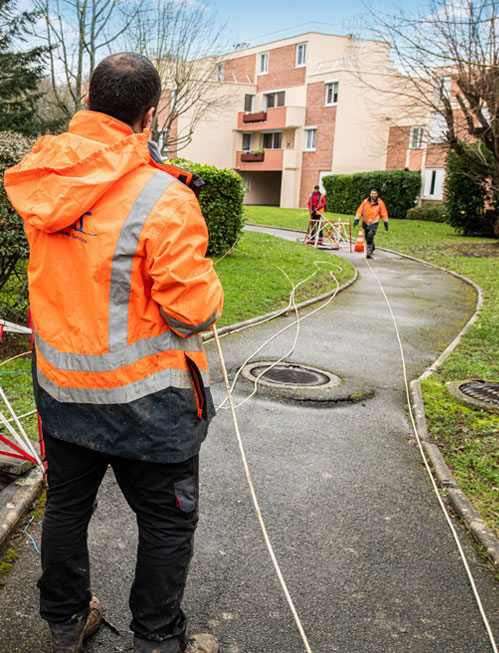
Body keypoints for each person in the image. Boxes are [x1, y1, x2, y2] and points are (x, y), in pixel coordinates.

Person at [4, 53, 223, 653]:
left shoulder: (44, 177)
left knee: (68, 506)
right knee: (166, 521)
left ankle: (67, 620)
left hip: (60, 386)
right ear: (151, 114)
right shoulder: (166, 198)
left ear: (85, 94)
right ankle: (157, 640)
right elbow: (191, 311)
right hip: (148, 402)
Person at [354, 188, 389, 258]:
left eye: (374, 194)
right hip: (365, 222)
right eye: (372, 193)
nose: (373, 195)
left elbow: (384, 213)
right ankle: (372, 247)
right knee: (367, 237)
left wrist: (386, 223)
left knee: (370, 235)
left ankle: (368, 251)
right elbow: (359, 211)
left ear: (377, 194)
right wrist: (356, 220)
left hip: (374, 222)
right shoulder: (365, 202)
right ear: (370, 194)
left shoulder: (380, 203)